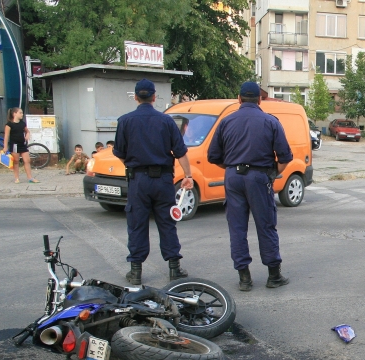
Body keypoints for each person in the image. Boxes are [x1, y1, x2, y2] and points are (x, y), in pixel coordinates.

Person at [208, 81, 292, 291]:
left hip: (233, 177)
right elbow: (285, 157)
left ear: (239, 98)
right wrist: (273, 174)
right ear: (260, 99)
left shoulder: (226, 122)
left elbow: (213, 156)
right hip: (259, 176)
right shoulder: (270, 121)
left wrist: (231, 167)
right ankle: (274, 275)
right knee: (265, 225)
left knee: (237, 228)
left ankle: (244, 278)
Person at [113, 79, 194, 285]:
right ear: (154, 97)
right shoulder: (167, 121)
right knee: (167, 222)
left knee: (137, 223)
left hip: (138, 180)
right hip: (163, 180)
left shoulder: (125, 121)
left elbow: (120, 153)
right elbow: (181, 152)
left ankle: (136, 271)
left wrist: (133, 165)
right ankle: (174, 268)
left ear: (136, 98)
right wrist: (188, 176)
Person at [4, 107, 39, 183]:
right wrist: (5, 147)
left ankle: (30, 178)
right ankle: (16, 178)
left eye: (22, 113)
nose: (22, 114)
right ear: (14, 114)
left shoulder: (22, 123)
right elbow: (6, 136)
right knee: (16, 161)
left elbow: (27, 131)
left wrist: (27, 135)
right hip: (14, 145)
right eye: (20, 113)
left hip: (22, 144)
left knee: (27, 160)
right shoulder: (9, 124)